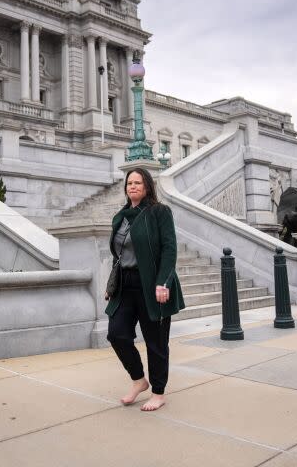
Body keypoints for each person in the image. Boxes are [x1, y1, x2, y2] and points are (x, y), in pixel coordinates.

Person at [106, 167, 185, 411]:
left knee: (156, 342)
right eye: (129, 182)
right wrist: (112, 284)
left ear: (147, 186)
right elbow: (119, 254)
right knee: (117, 334)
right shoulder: (121, 216)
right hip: (125, 285)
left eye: (138, 182)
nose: (133, 186)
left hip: (152, 285)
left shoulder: (159, 212)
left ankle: (158, 393)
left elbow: (170, 249)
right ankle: (139, 380)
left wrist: (163, 282)